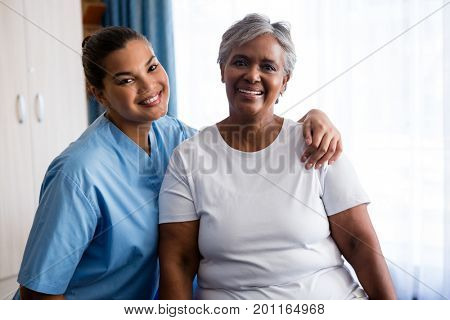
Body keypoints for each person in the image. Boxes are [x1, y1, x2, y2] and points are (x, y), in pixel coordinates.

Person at [16, 26, 342, 299]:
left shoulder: (174, 135)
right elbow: (38, 295)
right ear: (99, 93)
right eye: (126, 80)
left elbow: (241, 140)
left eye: (152, 66)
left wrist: (310, 120)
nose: (148, 86)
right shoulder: (78, 174)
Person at [158, 14, 397, 300]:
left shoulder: (317, 143)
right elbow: (179, 261)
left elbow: (360, 245)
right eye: (240, 62)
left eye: (268, 67)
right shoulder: (188, 158)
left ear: (284, 81)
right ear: (223, 69)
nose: (252, 75)